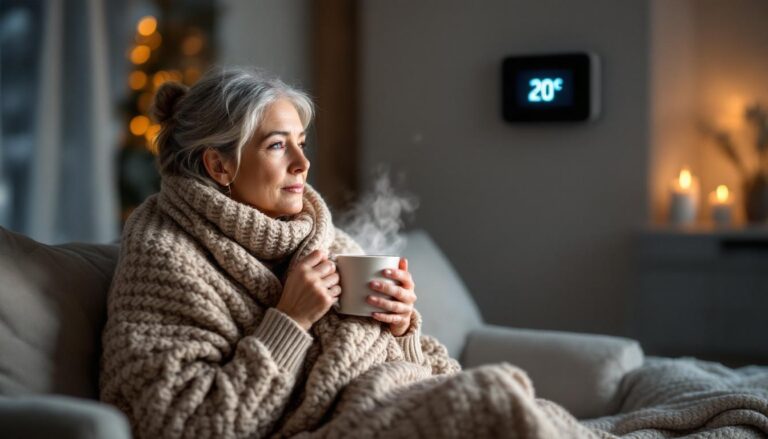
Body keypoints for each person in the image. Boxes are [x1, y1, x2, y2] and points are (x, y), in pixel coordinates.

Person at [100, 67, 595, 439]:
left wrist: (400, 329)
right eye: (277, 146)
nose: (303, 162)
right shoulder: (166, 255)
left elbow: (417, 368)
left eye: (301, 143)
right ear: (218, 165)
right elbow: (180, 423)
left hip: (392, 400)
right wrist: (290, 321)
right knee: (493, 400)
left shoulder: (322, 236)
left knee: (517, 401)